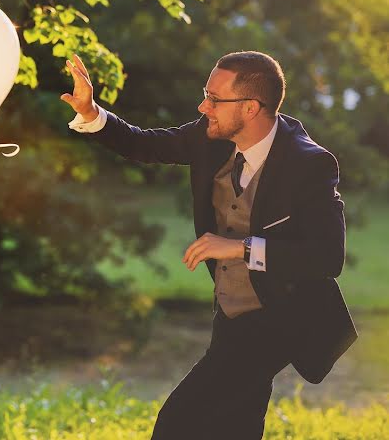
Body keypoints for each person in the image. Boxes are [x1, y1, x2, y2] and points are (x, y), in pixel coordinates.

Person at [61, 51, 357, 440]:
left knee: (178, 423)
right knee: (236, 427)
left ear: (251, 108)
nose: (204, 107)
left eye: (215, 99)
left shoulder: (309, 165)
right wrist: (91, 111)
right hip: (230, 312)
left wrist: (241, 248)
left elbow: (326, 256)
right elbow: (146, 145)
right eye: (206, 94)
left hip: (282, 314)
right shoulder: (211, 136)